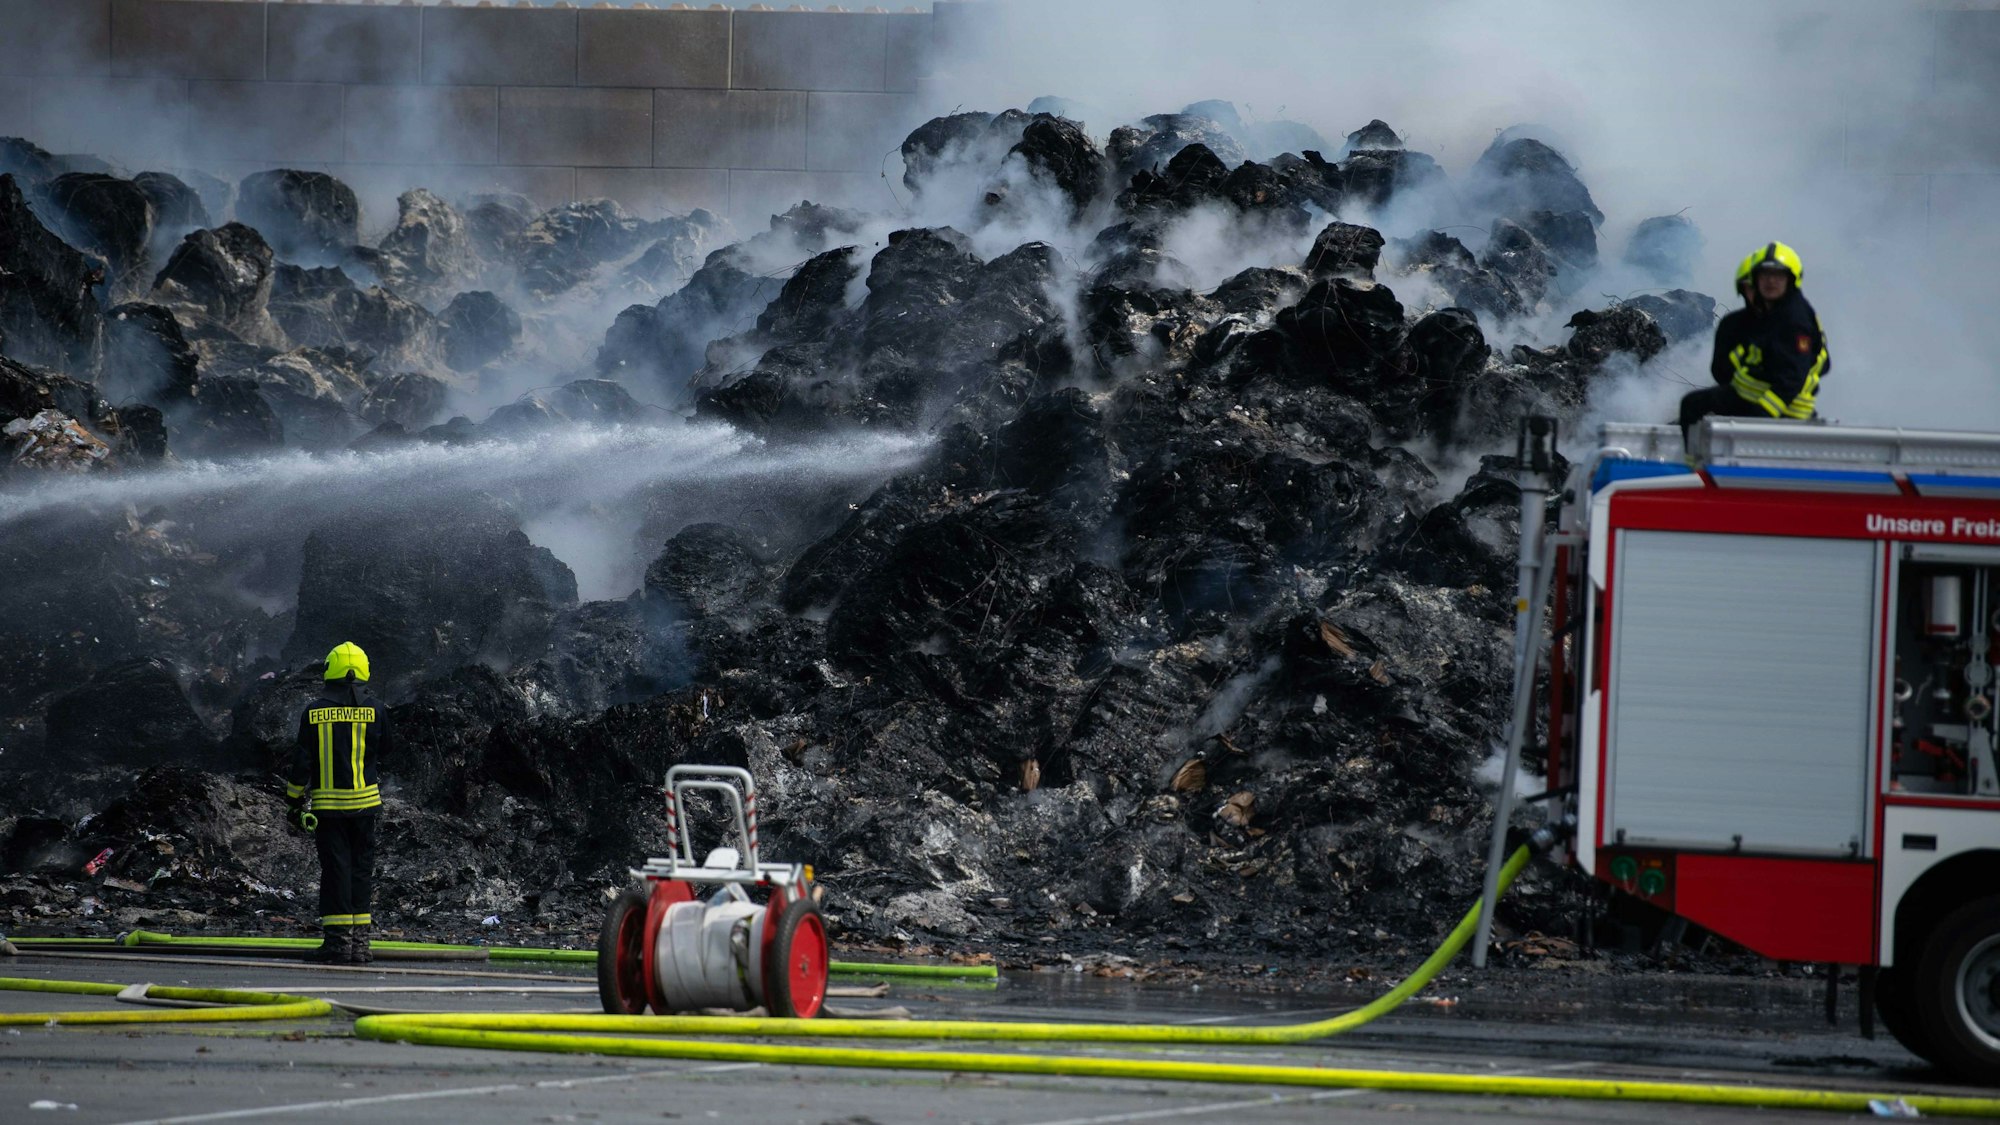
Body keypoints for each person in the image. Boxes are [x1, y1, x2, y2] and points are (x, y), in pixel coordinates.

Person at [284, 642, 386, 965]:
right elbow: (386, 750)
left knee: (336, 872)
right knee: (361, 872)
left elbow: (302, 762)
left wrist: (293, 802)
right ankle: (360, 945)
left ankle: (338, 944)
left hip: (329, 810)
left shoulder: (314, 712)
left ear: (331, 671)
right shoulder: (377, 710)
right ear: (363, 670)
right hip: (366, 807)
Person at [1679, 241, 1831, 441]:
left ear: (1790, 280)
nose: (1770, 282)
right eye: (1764, 277)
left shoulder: (1794, 320)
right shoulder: (1753, 321)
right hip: (1751, 396)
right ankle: (1694, 459)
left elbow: (1794, 377)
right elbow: (1723, 372)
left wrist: (1762, 415)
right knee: (1693, 405)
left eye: (1778, 276)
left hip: (1784, 407)